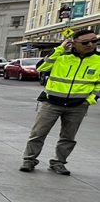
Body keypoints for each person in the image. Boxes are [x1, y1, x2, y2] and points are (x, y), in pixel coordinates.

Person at [20, 29, 100, 174]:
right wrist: (59, 49)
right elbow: (42, 67)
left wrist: (89, 100)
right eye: (85, 42)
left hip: (77, 106)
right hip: (51, 103)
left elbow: (98, 85)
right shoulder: (62, 56)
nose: (91, 45)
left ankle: (58, 162)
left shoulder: (98, 60)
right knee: (38, 133)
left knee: (68, 137)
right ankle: (29, 160)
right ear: (74, 43)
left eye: (94, 41)